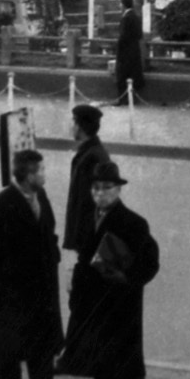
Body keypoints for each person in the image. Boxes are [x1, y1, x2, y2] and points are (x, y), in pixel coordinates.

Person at [64, 161, 161, 379]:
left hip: (121, 303)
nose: (100, 194)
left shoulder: (133, 223)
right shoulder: (87, 218)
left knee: (125, 358)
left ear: (118, 189)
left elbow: (150, 263)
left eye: (106, 188)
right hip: (92, 302)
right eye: (95, 188)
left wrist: (128, 279)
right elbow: (83, 259)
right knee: (97, 358)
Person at [0, 148, 66, 379]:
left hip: (41, 283)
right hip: (13, 288)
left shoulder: (41, 196)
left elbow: (49, 231)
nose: (45, 175)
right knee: (10, 341)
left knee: (42, 338)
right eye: (41, 170)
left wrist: (52, 255)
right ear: (28, 175)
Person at [60, 104, 113, 362]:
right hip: (87, 240)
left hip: (90, 240)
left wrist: (83, 240)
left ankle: (75, 355)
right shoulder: (91, 153)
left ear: (80, 126)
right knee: (84, 296)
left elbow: (95, 203)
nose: (71, 126)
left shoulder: (93, 158)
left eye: (73, 122)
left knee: (81, 297)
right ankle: (83, 351)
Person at [113, 0, 146, 104]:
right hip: (134, 50)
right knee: (132, 74)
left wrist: (118, 47)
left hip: (125, 51)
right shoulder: (136, 16)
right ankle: (131, 99)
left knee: (122, 75)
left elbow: (123, 36)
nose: (119, 6)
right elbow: (139, 35)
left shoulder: (126, 18)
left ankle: (121, 99)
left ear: (123, 5)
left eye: (120, 4)